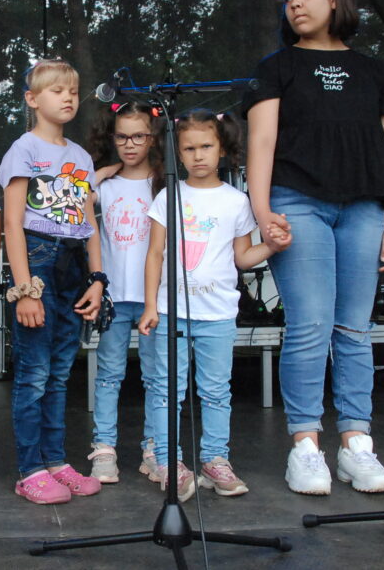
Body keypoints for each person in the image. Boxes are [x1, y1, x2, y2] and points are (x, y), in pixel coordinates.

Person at [244, 0, 384, 496]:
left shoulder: (373, 70)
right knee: (311, 323)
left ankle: (357, 443)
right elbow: (261, 143)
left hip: (363, 206)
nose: (294, 3)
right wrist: (262, 212)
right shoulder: (277, 67)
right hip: (297, 203)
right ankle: (306, 446)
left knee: (355, 327)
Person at [137, 110, 289, 501]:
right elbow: (154, 254)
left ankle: (214, 460)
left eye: (206, 146)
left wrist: (272, 246)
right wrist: (151, 305)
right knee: (167, 389)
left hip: (219, 315)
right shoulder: (168, 196)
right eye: (189, 148)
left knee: (216, 392)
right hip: (171, 312)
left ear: (222, 148)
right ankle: (169, 461)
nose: (198, 155)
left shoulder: (237, 201)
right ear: (178, 153)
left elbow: (243, 257)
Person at [0, 58, 106, 504]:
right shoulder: (23, 149)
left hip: (74, 264)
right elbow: (12, 223)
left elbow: (89, 221)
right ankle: (31, 470)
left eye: (73, 91)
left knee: (59, 373)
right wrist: (25, 289)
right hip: (38, 259)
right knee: (35, 373)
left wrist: (97, 278)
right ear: (32, 99)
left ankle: (57, 462)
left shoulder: (81, 157)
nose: (67, 98)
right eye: (57, 90)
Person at [85, 102, 163, 483]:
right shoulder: (106, 185)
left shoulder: (164, 186)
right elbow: (77, 197)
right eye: (122, 137)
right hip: (114, 296)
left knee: (156, 376)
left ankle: (155, 447)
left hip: (154, 299)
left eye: (138, 136)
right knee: (109, 374)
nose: (130, 144)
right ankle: (104, 448)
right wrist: (101, 173)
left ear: (152, 138)